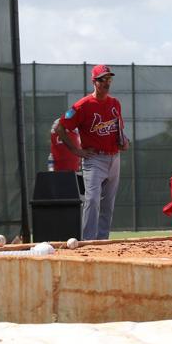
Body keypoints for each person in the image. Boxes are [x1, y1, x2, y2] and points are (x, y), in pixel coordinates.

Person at [56, 64, 130, 240]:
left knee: (108, 203)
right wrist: (76, 150)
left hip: (114, 158)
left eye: (109, 79)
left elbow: (119, 131)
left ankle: (102, 241)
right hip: (94, 159)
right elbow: (60, 128)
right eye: (102, 79)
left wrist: (125, 142)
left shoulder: (115, 103)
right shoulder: (82, 106)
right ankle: (89, 241)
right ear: (94, 82)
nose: (106, 83)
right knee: (92, 200)